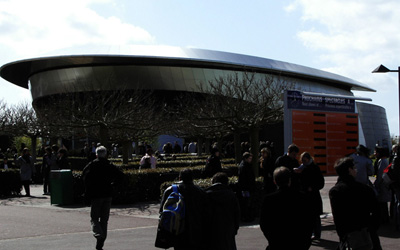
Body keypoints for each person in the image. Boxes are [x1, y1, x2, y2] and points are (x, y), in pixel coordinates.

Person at [329, 157, 381, 250]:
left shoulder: (335, 191)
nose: (356, 170)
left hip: (349, 233)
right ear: (349, 170)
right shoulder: (365, 189)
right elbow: (376, 211)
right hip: (366, 231)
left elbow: (337, 217)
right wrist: (372, 228)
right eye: (354, 168)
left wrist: (342, 235)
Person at [260, 167, 313, 250]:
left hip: (277, 243)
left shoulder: (269, 200)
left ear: (275, 181)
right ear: (289, 181)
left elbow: (264, 223)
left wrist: (272, 239)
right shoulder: (302, 197)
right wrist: (306, 241)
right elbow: (309, 221)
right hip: (299, 243)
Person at [82, 146, 124, 250]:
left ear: (96, 154)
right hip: (108, 194)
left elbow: (85, 177)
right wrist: (113, 185)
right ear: (106, 154)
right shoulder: (109, 165)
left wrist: (87, 193)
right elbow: (121, 176)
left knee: (94, 218)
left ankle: (98, 234)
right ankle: (101, 240)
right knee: (104, 220)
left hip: (96, 195)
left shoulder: (92, 165)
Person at [156, 169, 207, 249]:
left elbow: (162, 211)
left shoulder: (171, 190)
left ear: (179, 178)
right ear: (192, 179)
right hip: (195, 230)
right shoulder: (200, 192)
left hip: (177, 228)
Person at [205, 172, 240, 250]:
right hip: (228, 230)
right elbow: (236, 214)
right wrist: (235, 229)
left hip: (211, 232)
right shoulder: (231, 195)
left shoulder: (206, 195)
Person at [299, 152, 325, 240]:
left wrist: (312, 187)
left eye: (304, 160)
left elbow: (321, 183)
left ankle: (316, 234)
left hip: (312, 194)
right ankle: (311, 233)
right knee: (309, 216)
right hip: (307, 194)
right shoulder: (303, 168)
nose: (303, 162)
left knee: (314, 216)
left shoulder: (314, 168)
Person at [374, 147, 392, 224]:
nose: (374, 153)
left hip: (382, 185)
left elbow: (381, 174)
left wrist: (377, 183)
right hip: (384, 184)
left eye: (375, 152)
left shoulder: (383, 162)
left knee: (382, 203)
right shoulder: (384, 161)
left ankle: (384, 219)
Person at [238, 152, 255, 222]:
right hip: (246, 187)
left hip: (245, 187)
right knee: (246, 202)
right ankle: (246, 216)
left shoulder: (243, 165)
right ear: (246, 158)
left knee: (246, 202)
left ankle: (245, 216)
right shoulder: (245, 166)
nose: (250, 160)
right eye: (249, 158)